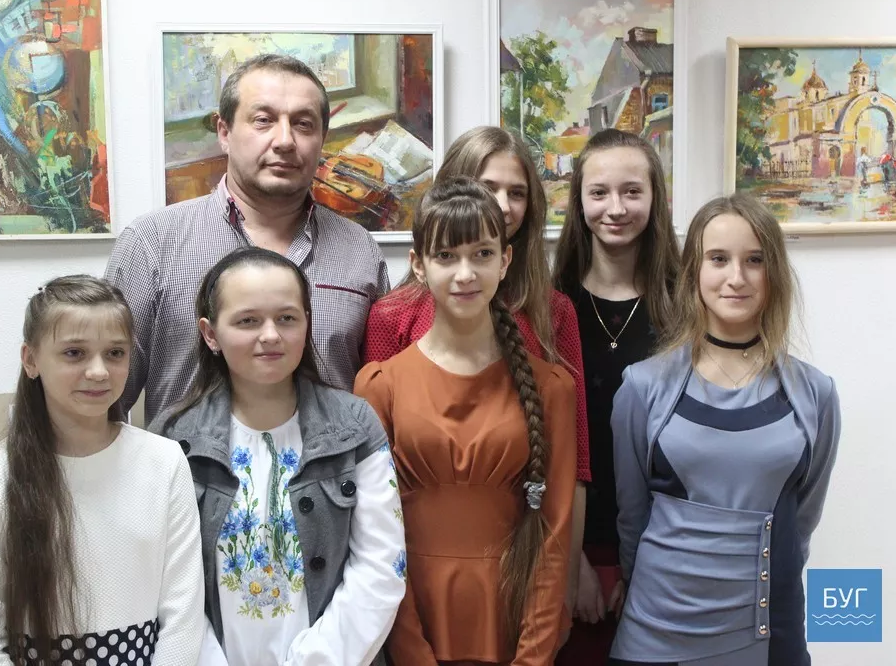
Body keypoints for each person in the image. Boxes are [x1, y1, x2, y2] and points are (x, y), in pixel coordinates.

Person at [362, 126, 592, 602]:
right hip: (414, 572)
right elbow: (375, 468)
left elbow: (574, 463)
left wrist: (569, 572)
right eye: (488, 188)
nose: (503, 206)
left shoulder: (553, 312)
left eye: (517, 193)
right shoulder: (393, 316)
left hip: (520, 564)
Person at [609, 193, 841, 666]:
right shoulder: (643, 386)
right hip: (656, 630)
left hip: (770, 633)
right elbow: (632, 518)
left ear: (774, 272)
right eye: (718, 259)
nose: (737, 277)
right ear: (693, 270)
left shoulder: (815, 393)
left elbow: (801, 521)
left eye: (754, 260)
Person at [149, 247, 405, 665]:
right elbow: (165, 584)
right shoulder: (171, 439)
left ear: (307, 323)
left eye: (286, 318)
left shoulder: (356, 426)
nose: (270, 335)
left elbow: (382, 568)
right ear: (210, 334)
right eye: (248, 321)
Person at [105, 53, 390, 426]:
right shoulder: (152, 244)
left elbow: (382, 395)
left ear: (322, 139)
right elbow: (102, 398)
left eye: (303, 124)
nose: (285, 141)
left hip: (331, 464)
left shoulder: (359, 250)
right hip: (187, 464)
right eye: (263, 120)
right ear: (224, 133)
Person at [0, 276, 205, 665]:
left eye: (115, 353)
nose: (99, 371)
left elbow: (183, 617)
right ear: (31, 360)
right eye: (75, 353)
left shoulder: (165, 461)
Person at [551, 128, 680, 666]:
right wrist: (569, 560)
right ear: (579, 202)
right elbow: (540, 445)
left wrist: (643, 565)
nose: (616, 208)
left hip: (662, 553)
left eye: (632, 191)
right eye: (599, 192)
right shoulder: (549, 306)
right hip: (567, 545)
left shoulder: (687, 307)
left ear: (655, 198)